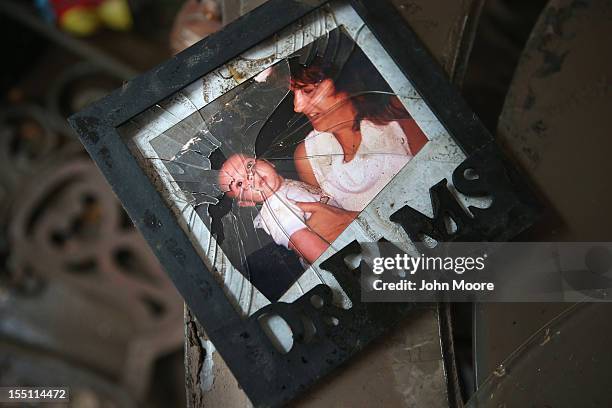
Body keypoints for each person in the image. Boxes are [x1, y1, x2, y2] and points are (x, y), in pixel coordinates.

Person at [289, 54, 429, 243]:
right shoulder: (307, 156)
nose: (297, 106)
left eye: (308, 90)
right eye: (294, 94)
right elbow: (332, 228)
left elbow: (437, 180)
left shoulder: (396, 112)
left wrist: (350, 219)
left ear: (344, 83)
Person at [218, 153, 340, 264]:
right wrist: (336, 263)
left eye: (249, 165)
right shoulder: (275, 208)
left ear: (268, 162)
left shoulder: (285, 187)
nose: (250, 177)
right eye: (239, 184)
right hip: (340, 251)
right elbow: (304, 243)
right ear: (246, 203)